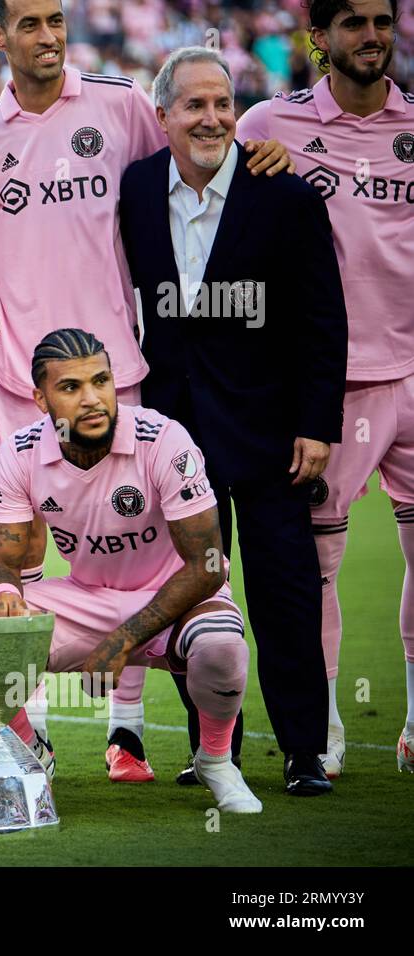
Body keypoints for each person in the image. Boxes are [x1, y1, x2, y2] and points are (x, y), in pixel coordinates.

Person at [0, 0, 292, 781]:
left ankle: (127, 734)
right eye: (32, 22)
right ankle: (31, 742)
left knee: (137, 548)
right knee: (14, 561)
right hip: (16, 377)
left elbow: (194, 157)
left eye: (57, 20)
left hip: (116, 369)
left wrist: (259, 155)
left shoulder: (117, 104)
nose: (49, 35)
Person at [119, 46, 347, 796]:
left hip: (275, 432)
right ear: (164, 118)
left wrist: (318, 423)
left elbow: (322, 318)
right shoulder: (137, 186)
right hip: (178, 430)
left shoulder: (285, 194)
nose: (212, 117)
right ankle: (212, 750)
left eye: (223, 103)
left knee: (287, 593)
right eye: (194, 105)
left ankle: (304, 752)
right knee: (200, 591)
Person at [0, 328, 261, 814]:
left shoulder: (163, 438)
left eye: (101, 381)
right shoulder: (20, 452)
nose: (93, 399)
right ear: (40, 399)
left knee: (223, 646)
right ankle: (28, 756)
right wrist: (1, 590)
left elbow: (206, 566)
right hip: (87, 597)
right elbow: (2, 562)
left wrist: (122, 640)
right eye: (71, 387)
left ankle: (216, 760)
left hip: (176, 593)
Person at [238, 0, 414, 778]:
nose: (372, 35)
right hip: (325, 384)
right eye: (354, 22)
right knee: (316, 568)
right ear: (320, 38)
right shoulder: (268, 126)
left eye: (382, 19)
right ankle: (325, 727)